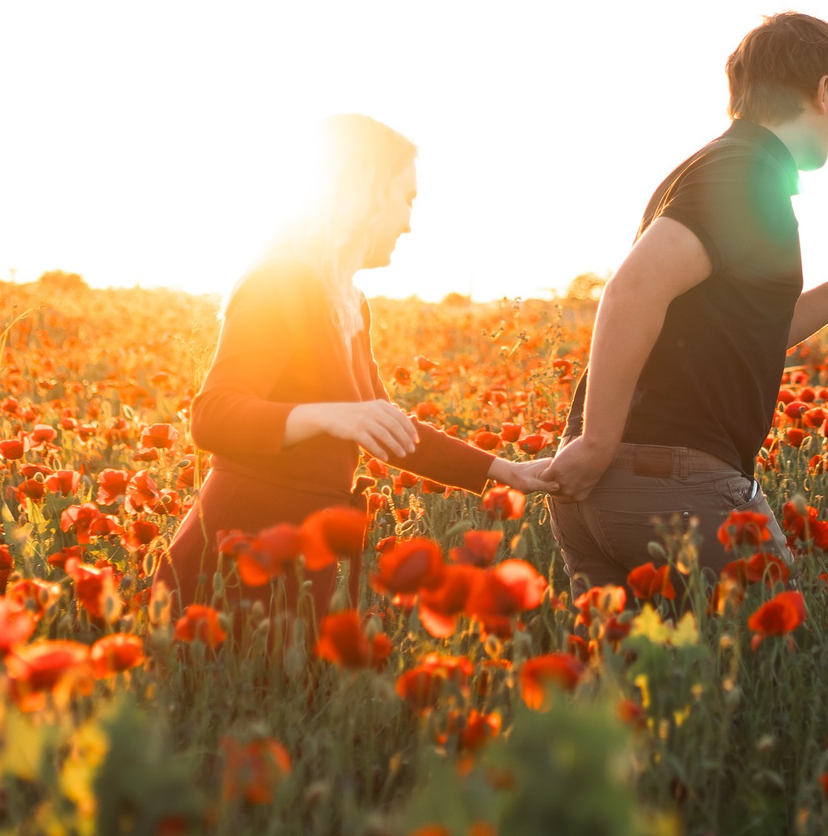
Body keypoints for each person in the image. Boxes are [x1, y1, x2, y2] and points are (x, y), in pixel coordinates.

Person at [538, 12, 828, 589]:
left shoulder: (713, 168)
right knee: (783, 665)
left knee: (636, 676)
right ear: (823, 90)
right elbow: (634, 289)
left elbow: (744, 333)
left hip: (610, 491)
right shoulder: (744, 174)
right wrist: (597, 441)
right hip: (671, 485)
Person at [170, 114, 550, 601]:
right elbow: (213, 416)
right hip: (233, 557)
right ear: (365, 192)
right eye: (406, 198)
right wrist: (333, 416)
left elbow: (388, 429)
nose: (410, 223)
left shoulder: (348, 300)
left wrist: (505, 471)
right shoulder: (281, 282)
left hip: (300, 558)